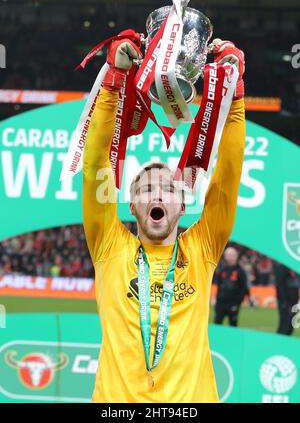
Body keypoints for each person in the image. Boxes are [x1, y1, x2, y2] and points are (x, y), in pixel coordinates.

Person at [83, 35, 246, 402]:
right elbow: (95, 168)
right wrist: (113, 80)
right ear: (131, 205)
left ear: (183, 207)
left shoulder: (203, 248)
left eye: (169, 189)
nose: (158, 193)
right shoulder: (108, 245)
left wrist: (233, 97)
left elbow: (228, 175)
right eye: (145, 189)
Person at [214, 247, 248, 327]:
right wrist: (217, 301)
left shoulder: (241, 271)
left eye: (232, 254)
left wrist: (238, 303)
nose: (230, 257)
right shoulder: (222, 270)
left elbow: (243, 288)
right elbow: (219, 287)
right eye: (228, 255)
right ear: (225, 256)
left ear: (236, 256)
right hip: (221, 303)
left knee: (233, 325)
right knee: (217, 325)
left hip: (233, 303)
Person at [275, 264, 300, 335]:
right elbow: (279, 285)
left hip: (294, 301)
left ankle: (285, 342)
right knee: (284, 324)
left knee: (291, 325)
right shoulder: (282, 268)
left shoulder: (295, 266)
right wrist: (284, 302)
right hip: (286, 301)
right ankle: (279, 343)